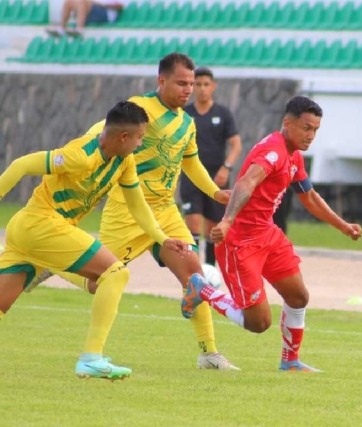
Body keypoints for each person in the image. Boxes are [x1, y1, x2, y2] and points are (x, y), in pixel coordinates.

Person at [26, 53, 238, 371]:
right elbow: (101, 133)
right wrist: (72, 159)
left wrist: (214, 191)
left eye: (192, 84)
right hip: (128, 210)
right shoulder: (139, 108)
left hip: (165, 211)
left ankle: (208, 353)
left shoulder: (186, 123)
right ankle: (55, 265)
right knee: (101, 281)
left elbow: (190, 162)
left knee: (193, 275)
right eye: (181, 83)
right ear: (161, 81)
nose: (188, 90)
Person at [0, 101, 190, 379]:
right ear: (124, 137)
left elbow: (138, 206)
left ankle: (90, 354)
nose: (140, 145)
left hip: (29, 230)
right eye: (139, 138)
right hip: (41, 224)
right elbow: (22, 164)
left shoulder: (123, 162)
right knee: (115, 274)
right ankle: (91, 358)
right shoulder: (81, 155)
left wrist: (162, 238)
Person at [180, 96, 362, 372]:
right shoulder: (274, 152)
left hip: (267, 234)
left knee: (299, 296)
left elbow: (309, 196)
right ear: (287, 123)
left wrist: (342, 226)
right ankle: (201, 288)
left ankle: (290, 361)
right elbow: (246, 182)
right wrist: (228, 221)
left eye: (315, 130)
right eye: (306, 128)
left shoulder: (294, 156)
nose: (311, 135)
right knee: (258, 323)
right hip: (240, 242)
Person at [181, 67, 242, 266]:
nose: (201, 89)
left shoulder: (223, 114)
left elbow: (236, 145)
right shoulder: (185, 114)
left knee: (213, 228)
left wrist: (226, 167)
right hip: (191, 177)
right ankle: (193, 271)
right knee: (192, 222)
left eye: (206, 84)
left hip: (217, 178)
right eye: (197, 84)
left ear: (213, 86)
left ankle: (210, 271)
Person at [46, 0, 125, 38]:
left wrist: (102, 5)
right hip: (93, 11)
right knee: (69, 2)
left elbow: (120, 6)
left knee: (82, 2)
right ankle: (61, 29)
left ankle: (79, 29)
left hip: (106, 13)